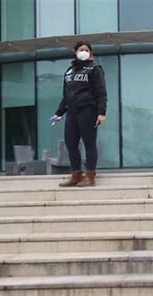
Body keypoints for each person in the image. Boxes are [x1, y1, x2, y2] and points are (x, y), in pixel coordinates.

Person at [50, 41, 107, 187]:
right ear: (75, 53)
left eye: (86, 49)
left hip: (88, 110)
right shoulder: (69, 72)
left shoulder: (94, 69)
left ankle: (90, 176)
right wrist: (58, 113)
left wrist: (101, 112)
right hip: (72, 112)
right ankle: (76, 175)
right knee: (70, 143)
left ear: (91, 53)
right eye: (81, 49)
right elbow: (66, 95)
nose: (83, 51)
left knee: (89, 144)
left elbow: (101, 93)